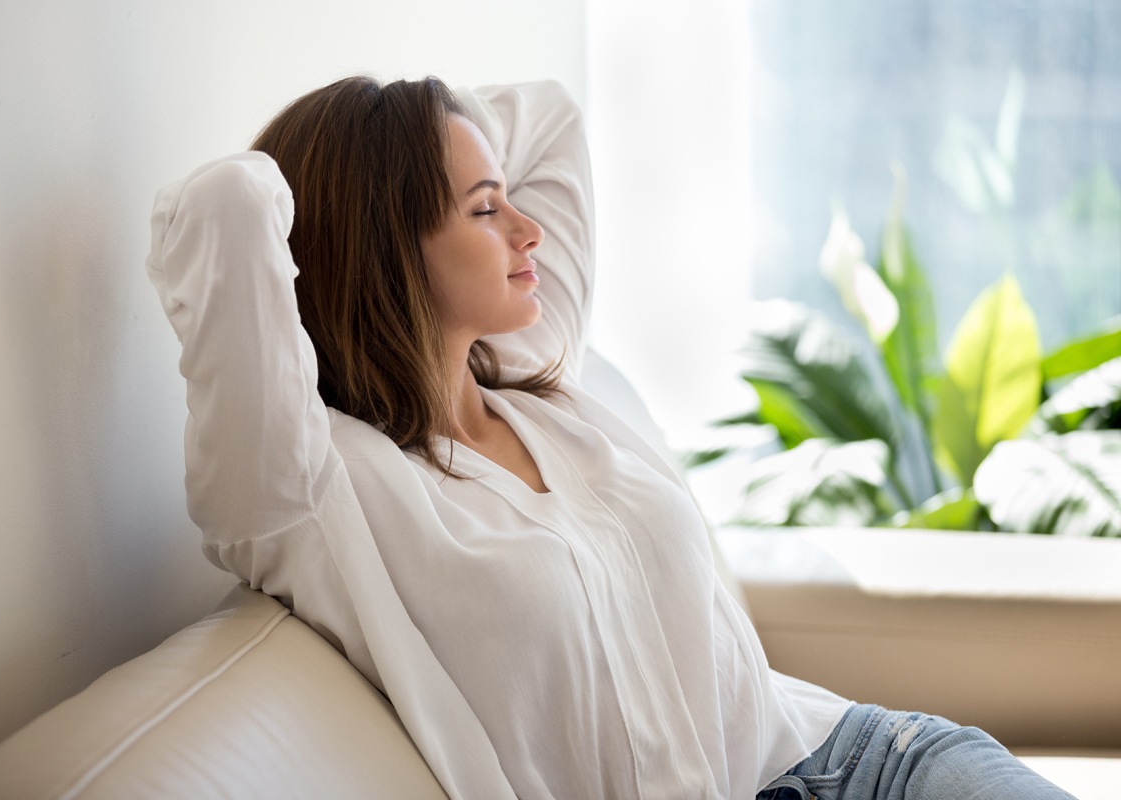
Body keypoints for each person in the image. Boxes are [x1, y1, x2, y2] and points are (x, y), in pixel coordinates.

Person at [145, 77, 1074, 800]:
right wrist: (365, 155)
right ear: (387, 245)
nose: (528, 230)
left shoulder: (532, 372)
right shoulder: (316, 489)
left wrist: (427, 126)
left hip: (865, 761)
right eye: (482, 210)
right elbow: (230, 201)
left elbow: (552, 115)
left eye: (506, 199)